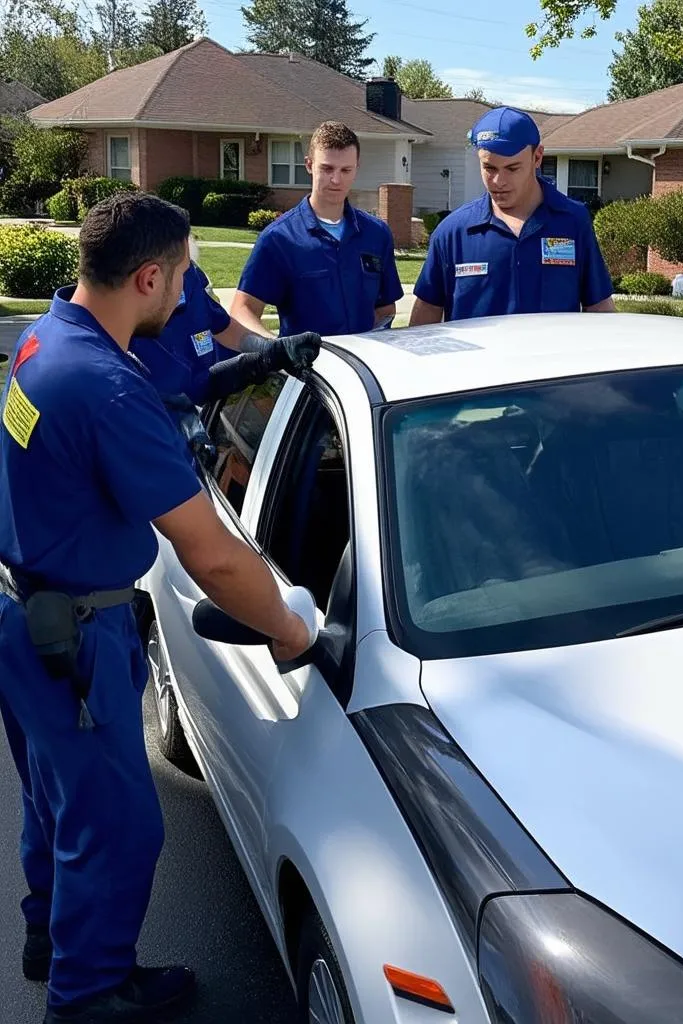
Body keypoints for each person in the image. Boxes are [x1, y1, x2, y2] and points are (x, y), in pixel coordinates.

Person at [0, 192, 314, 1024]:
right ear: (147, 277)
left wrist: (245, 369)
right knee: (118, 829)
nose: (188, 295)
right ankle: (88, 994)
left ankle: (49, 937)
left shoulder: (48, 337)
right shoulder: (106, 390)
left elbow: (137, 403)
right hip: (76, 636)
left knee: (56, 801)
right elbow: (211, 554)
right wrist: (288, 625)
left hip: (26, 616)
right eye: (182, 277)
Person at [409, 106, 616, 325]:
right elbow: (427, 312)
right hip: (476, 360)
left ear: (537, 158)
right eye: (489, 168)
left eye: (512, 168)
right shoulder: (453, 232)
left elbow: (599, 306)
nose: (499, 181)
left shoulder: (573, 221)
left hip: (552, 358)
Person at [129, 233, 319, 445]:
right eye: (181, 271)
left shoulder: (190, 277)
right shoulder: (130, 335)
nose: (187, 277)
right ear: (150, 277)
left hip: (205, 412)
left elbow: (224, 326)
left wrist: (267, 349)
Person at [230, 121, 403, 338]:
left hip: (362, 367)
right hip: (307, 370)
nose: (336, 179)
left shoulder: (377, 234)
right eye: (327, 168)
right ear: (309, 165)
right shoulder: (279, 238)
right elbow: (242, 310)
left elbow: (386, 309)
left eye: (345, 170)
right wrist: (277, 349)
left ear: (357, 168)